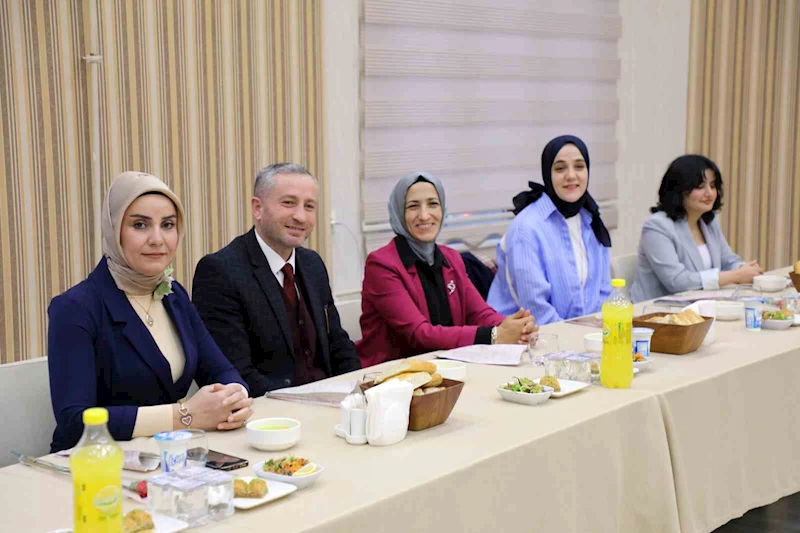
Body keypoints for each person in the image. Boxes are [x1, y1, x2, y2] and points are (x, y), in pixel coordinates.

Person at [48, 172, 253, 453]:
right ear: (114, 231)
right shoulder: (76, 307)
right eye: (140, 225)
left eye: (167, 225)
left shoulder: (174, 294)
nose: (157, 239)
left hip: (166, 457)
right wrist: (183, 416)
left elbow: (221, 370)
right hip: (94, 462)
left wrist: (236, 399)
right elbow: (75, 421)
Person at [192, 163, 360, 396]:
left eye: (309, 206)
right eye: (288, 203)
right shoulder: (220, 271)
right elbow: (235, 372)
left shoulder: (312, 264)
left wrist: (358, 392)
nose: (300, 216)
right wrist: (302, 405)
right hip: (269, 410)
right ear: (257, 208)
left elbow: (338, 344)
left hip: (332, 402)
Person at [358, 172, 537, 368]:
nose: (424, 215)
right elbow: (419, 334)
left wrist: (516, 327)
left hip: (446, 368)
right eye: (413, 206)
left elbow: (480, 313)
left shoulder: (451, 258)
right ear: (398, 212)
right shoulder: (381, 265)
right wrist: (495, 335)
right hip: (391, 375)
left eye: (433, 204)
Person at [487, 135, 612, 325]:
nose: (571, 175)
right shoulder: (526, 228)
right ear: (547, 173)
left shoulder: (591, 220)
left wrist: (595, 331)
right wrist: (579, 336)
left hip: (582, 336)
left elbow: (603, 293)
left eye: (579, 166)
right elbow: (536, 310)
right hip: (525, 336)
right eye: (560, 168)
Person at [630, 155, 763, 302]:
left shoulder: (708, 222)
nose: (709, 193)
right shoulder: (657, 226)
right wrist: (736, 276)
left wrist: (747, 269)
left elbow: (728, 262)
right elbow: (677, 282)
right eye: (700, 187)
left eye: (712, 186)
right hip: (657, 310)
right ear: (679, 190)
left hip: (701, 306)